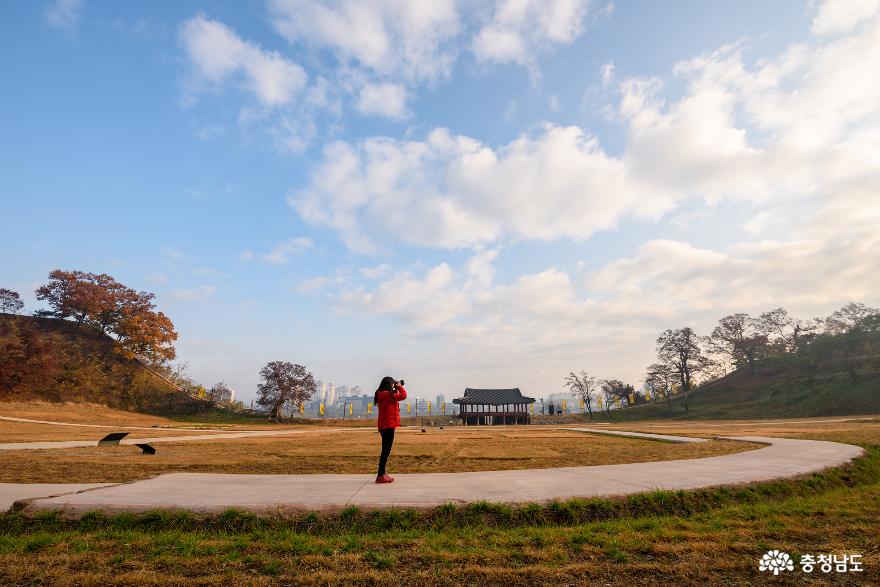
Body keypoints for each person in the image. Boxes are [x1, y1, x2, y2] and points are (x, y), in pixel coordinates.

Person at [374, 376, 406, 483]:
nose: (394, 385)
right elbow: (403, 395)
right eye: (393, 384)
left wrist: (395, 388)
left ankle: (382, 473)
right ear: (389, 385)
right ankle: (380, 475)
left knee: (385, 451)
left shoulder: (380, 394)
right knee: (385, 452)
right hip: (389, 426)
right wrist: (399, 387)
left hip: (383, 426)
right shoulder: (389, 395)